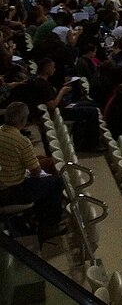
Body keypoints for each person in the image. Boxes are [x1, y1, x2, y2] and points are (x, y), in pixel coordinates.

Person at [0, 102, 66, 239]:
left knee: (44, 167)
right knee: (56, 183)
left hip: (6, 185)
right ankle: (49, 226)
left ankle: (37, 216)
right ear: (24, 121)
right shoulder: (21, 142)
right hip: (11, 190)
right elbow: (36, 172)